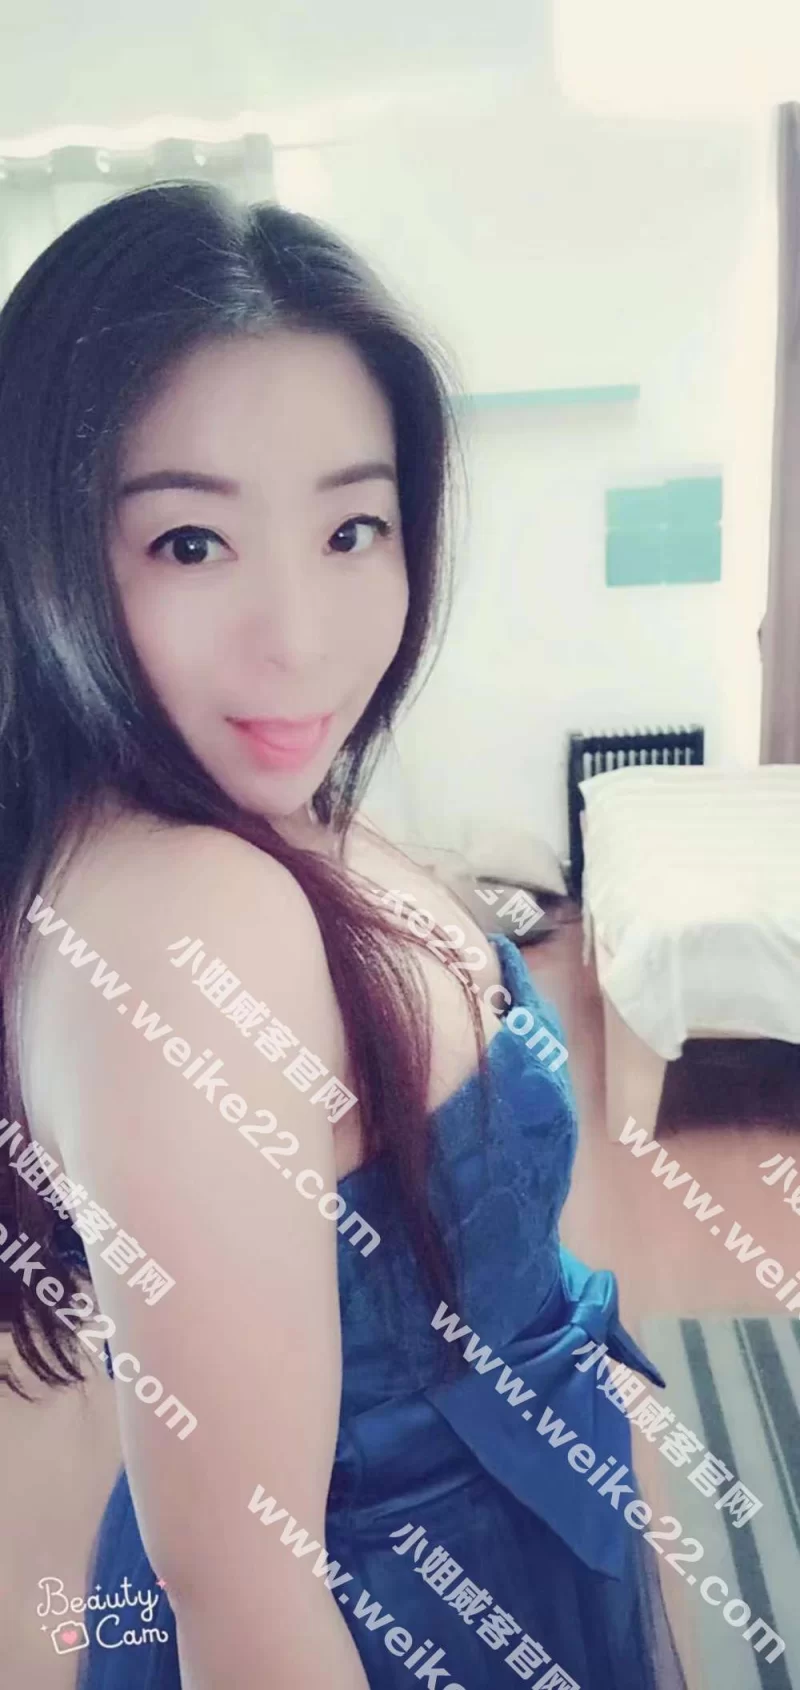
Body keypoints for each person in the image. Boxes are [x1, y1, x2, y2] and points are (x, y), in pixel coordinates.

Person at [0, 181, 687, 1689]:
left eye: (352, 527)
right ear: (41, 552)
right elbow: (248, 1600)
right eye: (190, 542)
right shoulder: (191, 919)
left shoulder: (234, 817)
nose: (300, 640)